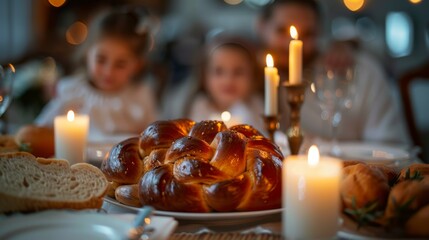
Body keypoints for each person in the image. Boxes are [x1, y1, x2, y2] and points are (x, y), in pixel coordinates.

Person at [256, 0, 410, 145]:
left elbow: (391, 146)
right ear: (261, 27)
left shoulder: (359, 70)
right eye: (281, 31)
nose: (294, 45)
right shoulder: (245, 72)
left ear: (320, 32)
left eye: (308, 34)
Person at [35, 8, 157, 142]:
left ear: (137, 65)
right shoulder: (71, 92)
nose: (108, 72)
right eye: (101, 60)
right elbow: (39, 131)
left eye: (120, 64)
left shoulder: (140, 96)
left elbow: (154, 136)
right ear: (87, 54)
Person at [182, 37, 266, 133]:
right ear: (204, 76)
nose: (228, 80)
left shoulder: (258, 108)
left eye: (238, 72)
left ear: (253, 76)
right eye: (219, 71)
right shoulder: (197, 109)